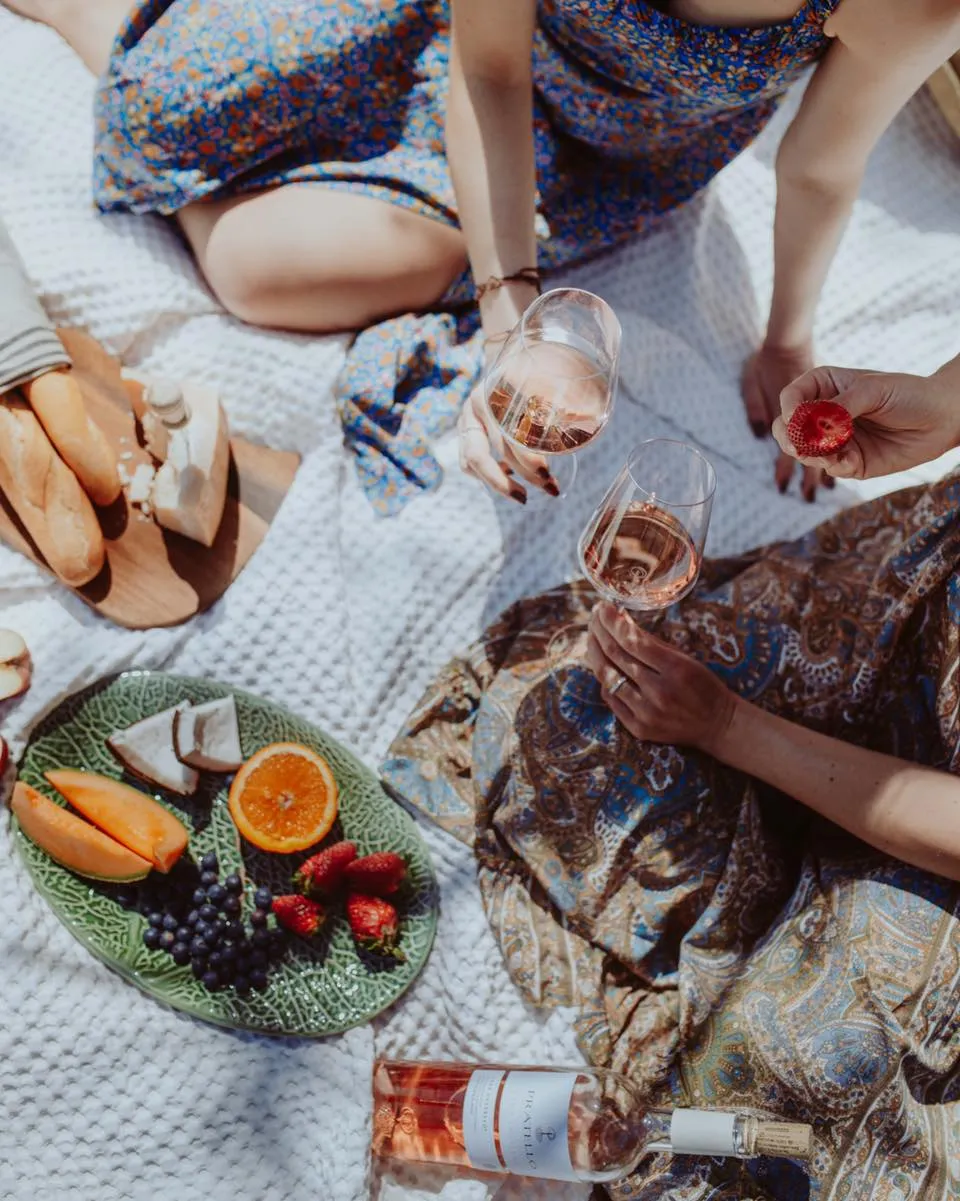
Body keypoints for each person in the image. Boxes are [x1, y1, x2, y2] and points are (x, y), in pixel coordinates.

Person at [4, 0, 960, 512]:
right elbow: (490, 66)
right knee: (167, 97)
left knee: (259, 272)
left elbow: (821, 166)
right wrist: (509, 315)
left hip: (615, 159)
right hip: (467, 49)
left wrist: (786, 340)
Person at [382, 369, 960, 1198]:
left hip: (935, 848)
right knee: (562, 715)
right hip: (908, 606)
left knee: (783, 1089)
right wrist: (944, 408)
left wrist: (727, 726)